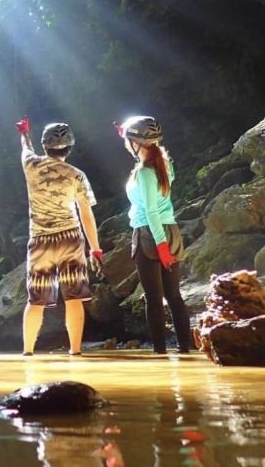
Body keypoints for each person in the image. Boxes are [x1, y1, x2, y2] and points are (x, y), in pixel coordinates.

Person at [15, 116, 103, 356]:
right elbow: (86, 214)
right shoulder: (77, 175)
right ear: (69, 148)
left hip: (40, 241)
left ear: (45, 147)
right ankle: (75, 352)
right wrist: (95, 248)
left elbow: (25, 149)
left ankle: (28, 353)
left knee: (36, 300)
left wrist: (24, 133)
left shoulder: (31, 165)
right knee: (73, 297)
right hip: (71, 239)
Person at [115, 115, 191, 354]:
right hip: (172, 230)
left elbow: (149, 211)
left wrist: (160, 246)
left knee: (154, 299)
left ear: (136, 142)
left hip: (150, 234)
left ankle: (160, 353)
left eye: (129, 140)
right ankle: (185, 350)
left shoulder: (144, 172)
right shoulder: (165, 164)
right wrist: (129, 135)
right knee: (174, 296)